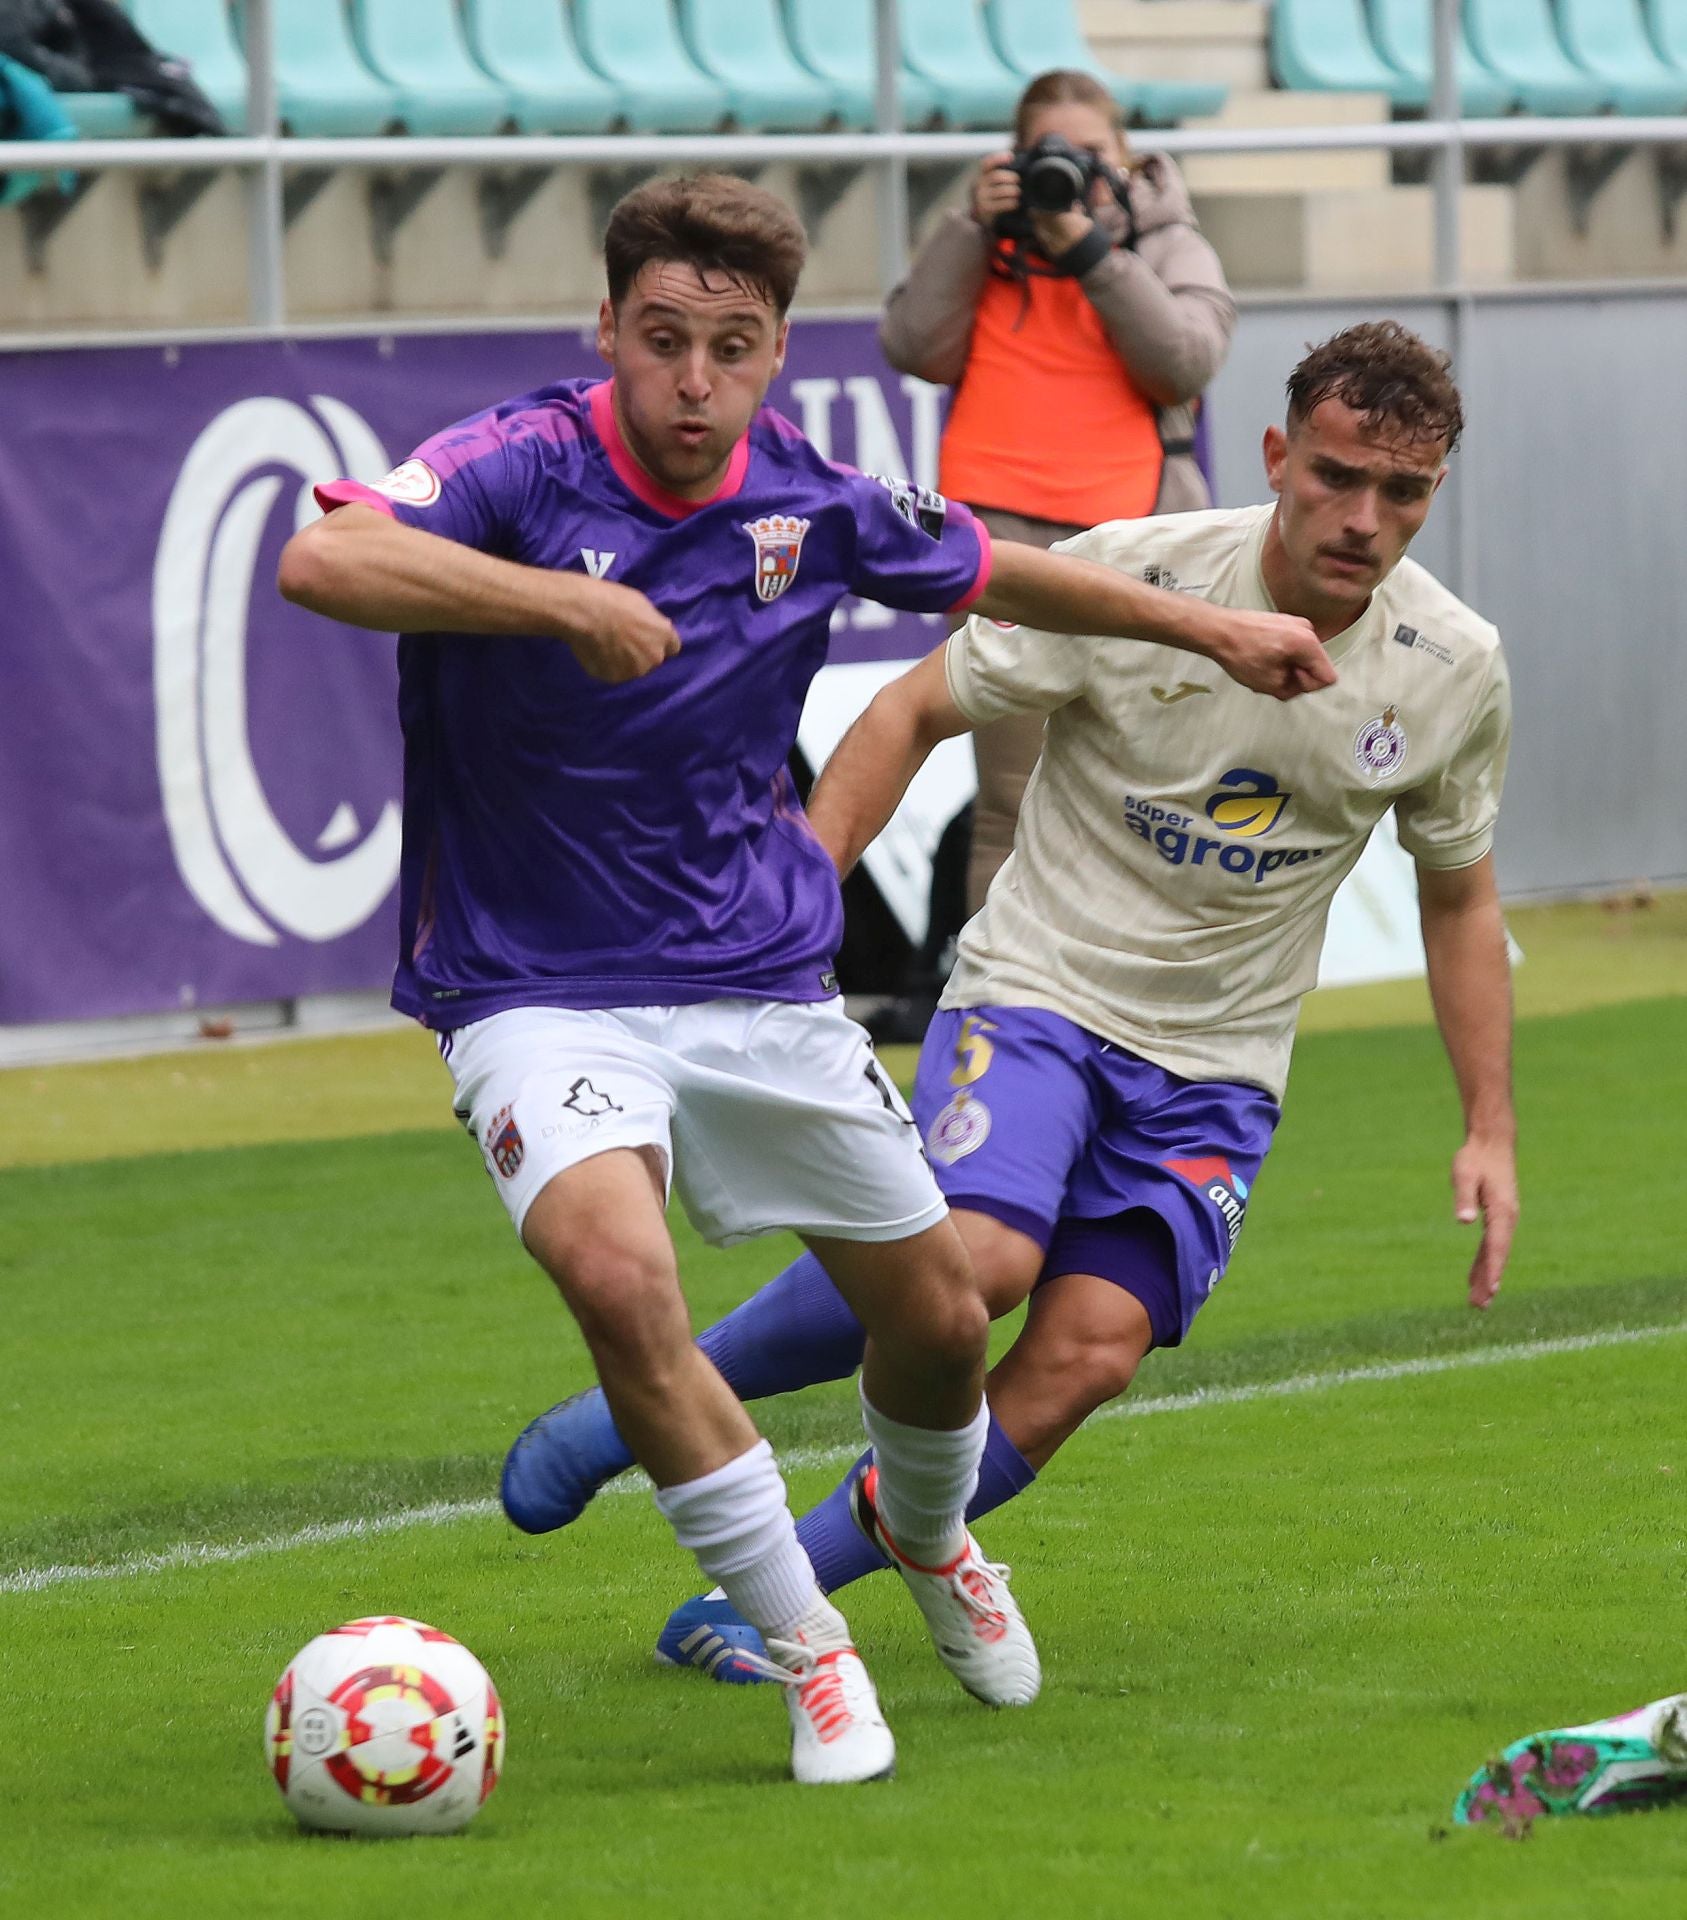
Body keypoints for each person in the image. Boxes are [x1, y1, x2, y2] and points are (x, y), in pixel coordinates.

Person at [277, 174, 1332, 1782]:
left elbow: (1000, 568)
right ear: (607, 328)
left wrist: (1212, 635)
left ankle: (931, 1542)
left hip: (757, 988)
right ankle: (810, 1649)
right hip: (535, 987)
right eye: (662, 341)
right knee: (621, 1286)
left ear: (773, 355)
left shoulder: (809, 497)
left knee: (932, 1326)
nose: (692, 383)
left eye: (732, 348)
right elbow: (323, 562)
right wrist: (555, 597)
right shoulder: (519, 464)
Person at [497, 322, 1519, 1686]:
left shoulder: (1449, 668)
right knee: (977, 1265)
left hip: (1217, 1066)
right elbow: (913, 707)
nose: (1360, 517)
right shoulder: (1134, 576)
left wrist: (1486, 1126)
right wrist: (792, 897)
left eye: (1401, 494)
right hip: (1035, 993)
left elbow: (1453, 895)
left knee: (1089, 1351)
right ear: (1275, 455)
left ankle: (780, 1591)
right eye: (1334, 475)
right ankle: (655, 1395)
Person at [880, 66, 1236, 957]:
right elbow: (912, 345)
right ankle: (988, 1021)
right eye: (1050, 155)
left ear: (1128, 158)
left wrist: (1088, 251)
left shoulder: (1165, 240)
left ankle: (1136, 1001)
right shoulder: (987, 237)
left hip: (1136, 544)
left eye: (1089, 155)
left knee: (1149, 789)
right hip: (999, 546)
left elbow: (1185, 361)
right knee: (1008, 802)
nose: (1066, 173)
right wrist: (970, 226)